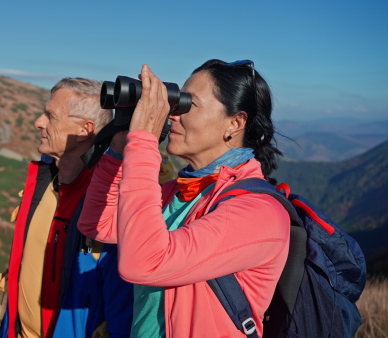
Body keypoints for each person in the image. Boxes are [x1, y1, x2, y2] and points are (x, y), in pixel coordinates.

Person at [78, 60, 291, 337]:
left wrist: (143, 141)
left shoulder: (259, 213)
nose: (173, 115)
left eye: (189, 105)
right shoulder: (178, 193)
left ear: (235, 123)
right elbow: (98, 225)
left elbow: (144, 262)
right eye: (177, 102)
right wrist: (119, 148)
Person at [0, 78, 134, 338]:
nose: (38, 122)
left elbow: (122, 309)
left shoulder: (107, 204)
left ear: (84, 130)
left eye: (51, 116)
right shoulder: (43, 183)